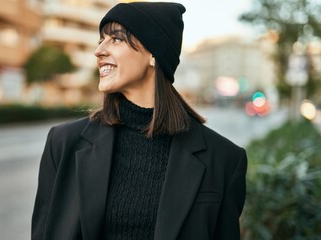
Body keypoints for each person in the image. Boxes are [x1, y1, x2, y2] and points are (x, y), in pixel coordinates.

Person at [31, 2, 247, 240]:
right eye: (100, 40)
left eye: (115, 39)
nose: (99, 51)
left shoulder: (223, 159)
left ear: (153, 53)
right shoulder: (63, 143)